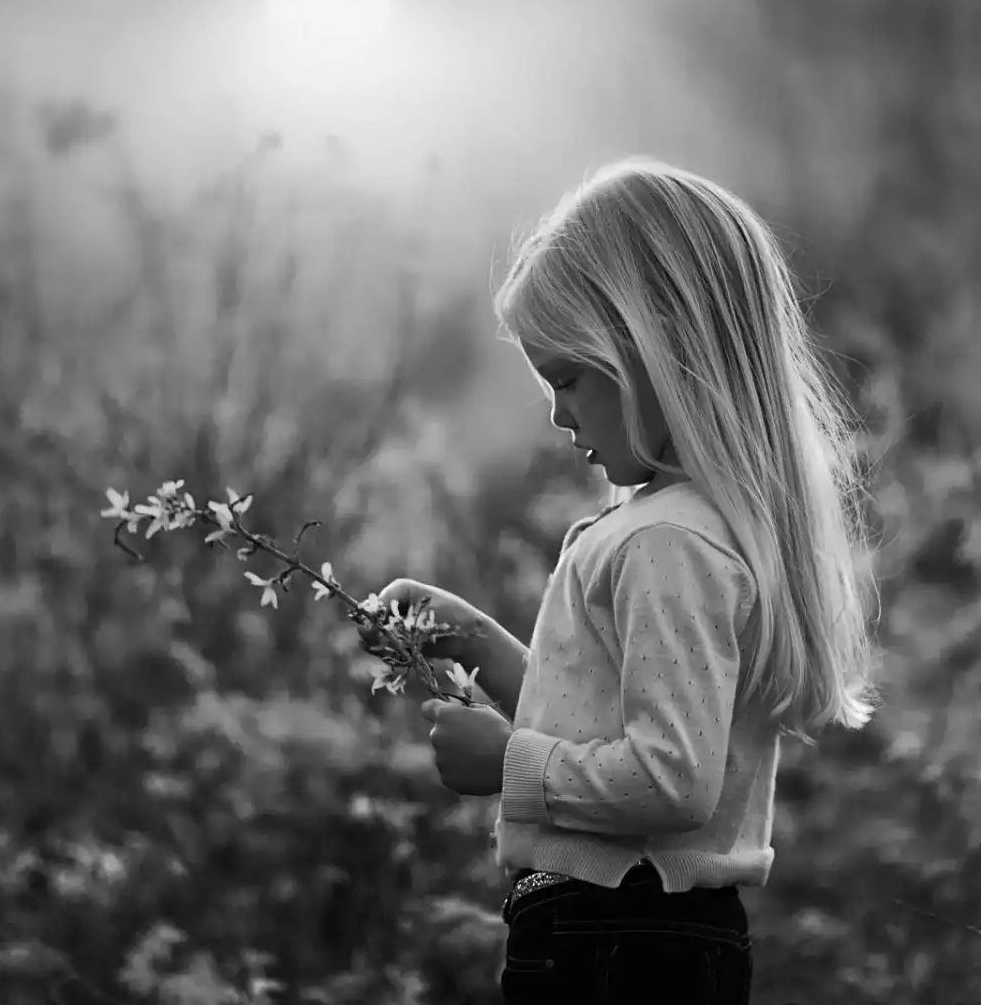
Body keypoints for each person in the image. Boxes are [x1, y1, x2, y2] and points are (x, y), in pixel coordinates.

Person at [369, 157, 883, 1005]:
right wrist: (476, 643)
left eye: (568, 378)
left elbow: (670, 782)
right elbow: (616, 718)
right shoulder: (687, 528)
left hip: (619, 940)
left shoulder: (668, 544)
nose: (556, 413)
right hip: (641, 936)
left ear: (654, 352)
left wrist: (510, 765)